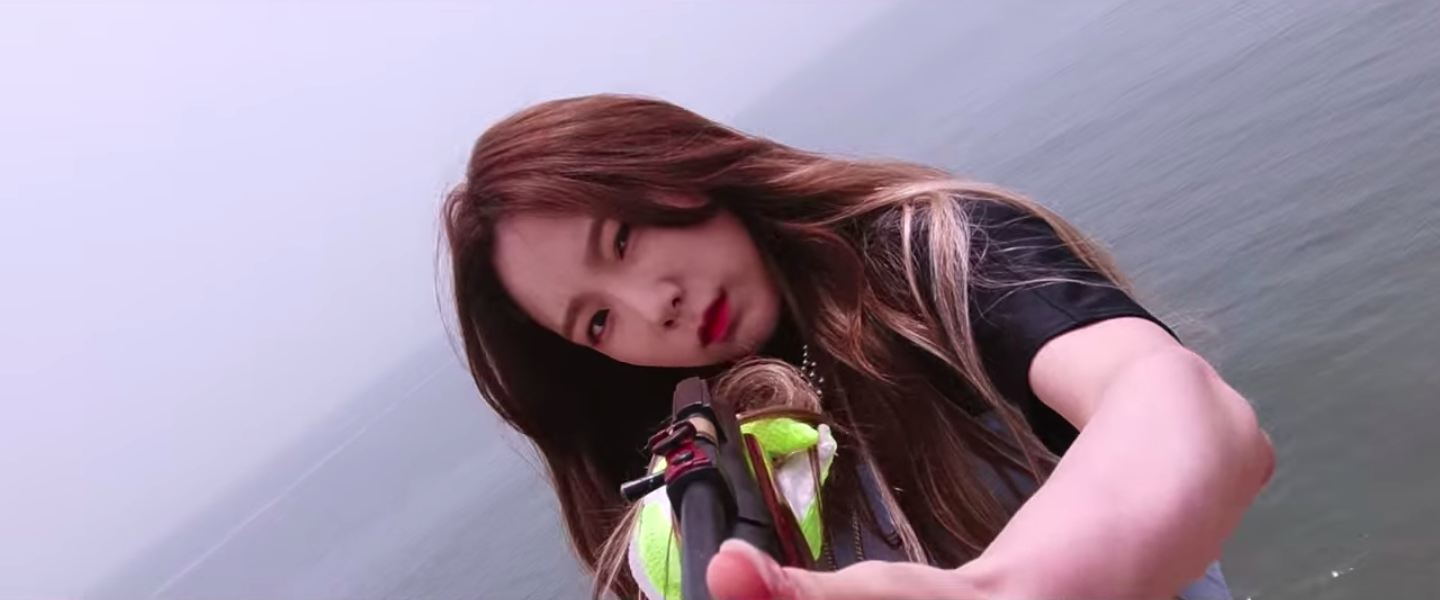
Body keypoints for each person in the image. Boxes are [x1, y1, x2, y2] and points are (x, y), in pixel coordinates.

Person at [440, 94, 1274, 600]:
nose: (653, 307)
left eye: (622, 240)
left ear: (674, 168)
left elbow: (1169, 398)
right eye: (596, 323)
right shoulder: (682, 486)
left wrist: (999, 589)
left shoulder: (928, 254)